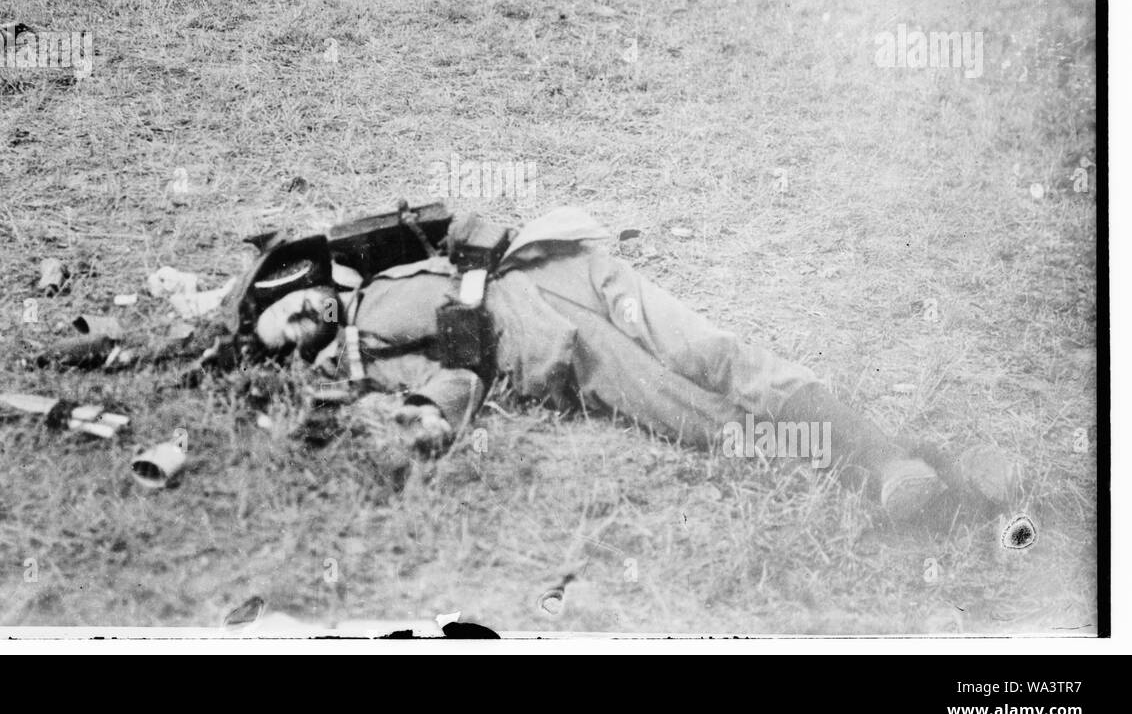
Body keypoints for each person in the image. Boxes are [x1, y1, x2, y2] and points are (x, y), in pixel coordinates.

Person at [233, 206, 1014, 525]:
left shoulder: (377, 254)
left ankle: (893, 453)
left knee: (714, 353)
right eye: (289, 336)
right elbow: (460, 376)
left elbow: (473, 220)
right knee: (709, 422)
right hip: (568, 352)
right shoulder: (362, 367)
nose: (302, 322)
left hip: (569, 270)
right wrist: (432, 411)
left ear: (301, 283)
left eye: (292, 306)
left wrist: (468, 280)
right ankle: (916, 471)